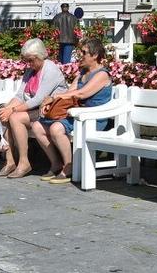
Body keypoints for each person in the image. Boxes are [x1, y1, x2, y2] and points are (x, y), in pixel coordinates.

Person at [30, 39, 114, 185]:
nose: (80, 55)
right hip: (76, 115)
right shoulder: (83, 73)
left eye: (84, 52)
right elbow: (70, 92)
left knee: (56, 128)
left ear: (95, 55)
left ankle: (68, 166)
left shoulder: (102, 75)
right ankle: (56, 163)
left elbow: (81, 94)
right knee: (37, 126)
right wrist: (51, 101)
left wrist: (55, 96)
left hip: (94, 118)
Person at [0, 38, 68, 179]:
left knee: (15, 117)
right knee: (6, 116)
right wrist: (7, 108)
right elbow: (20, 95)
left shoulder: (50, 69)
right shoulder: (31, 70)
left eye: (31, 60)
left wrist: (13, 110)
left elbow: (38, 99)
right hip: (36, 110)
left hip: (50, 111)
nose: (29, 64)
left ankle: (24, 162)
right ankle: (10, 161)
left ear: (40, 56)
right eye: (26, 60)